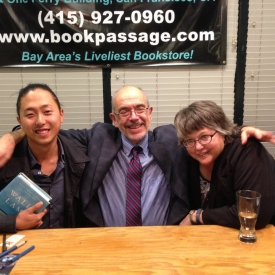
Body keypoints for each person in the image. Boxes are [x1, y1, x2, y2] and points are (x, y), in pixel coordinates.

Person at [0, 86, 274, 228]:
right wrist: (11, 137)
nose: (133, 117)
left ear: (150, 112)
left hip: (163, 240)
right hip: (107, 241)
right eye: (124, 111)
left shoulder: (172, 140)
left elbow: (206, 132)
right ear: (113, 119)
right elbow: (45, 129)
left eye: (139, 108)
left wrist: (238, 132)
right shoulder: (96, 138)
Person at [0, 84, 89, 233]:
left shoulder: (83, 155)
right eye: (30, 115)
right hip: (21, 251)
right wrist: (12, 222)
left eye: (47, 111)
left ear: (61, 114)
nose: (40, 121)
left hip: (72, 249)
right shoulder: (5, 160)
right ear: (19, 121)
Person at [174, 100, 275, 229]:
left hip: (258, 239)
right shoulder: (190, 156)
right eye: (189, 140)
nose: (198, 147)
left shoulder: (246, 151)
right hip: (211, 238)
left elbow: (253, 214)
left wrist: (197, 216)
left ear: (222, 131)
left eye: (204, 137)